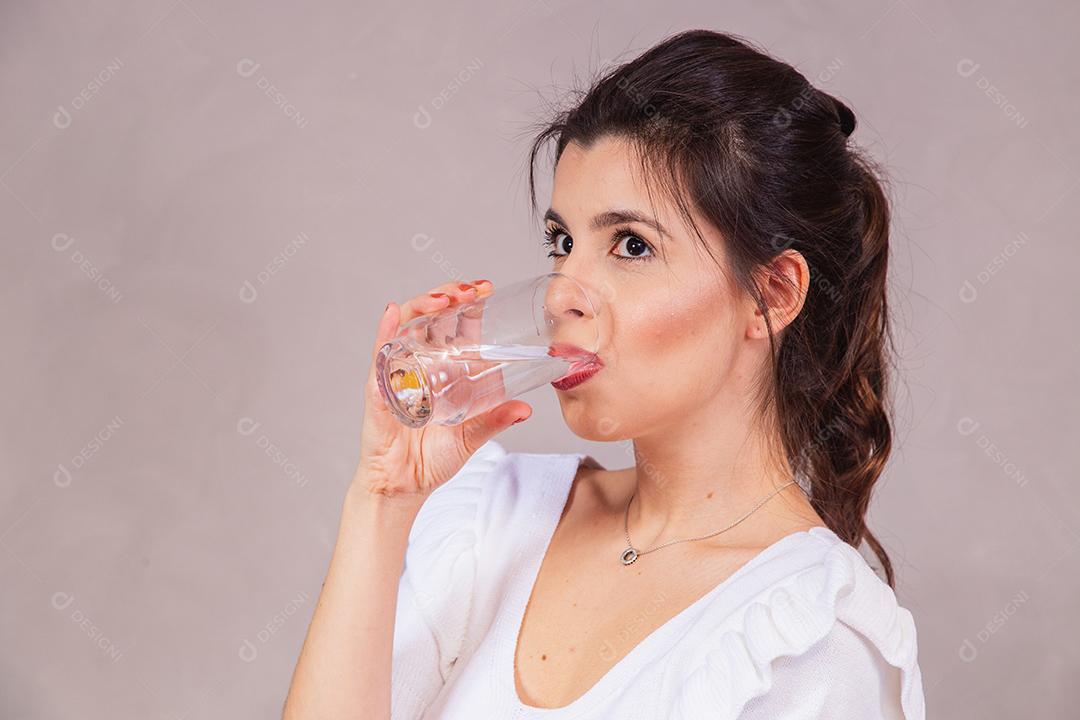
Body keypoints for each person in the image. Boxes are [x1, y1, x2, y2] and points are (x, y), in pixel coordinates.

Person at [283, 28, 926, 720]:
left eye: (630, 245)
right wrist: (382, 501)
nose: (561, 292)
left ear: (772, 293)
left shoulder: (810, 641)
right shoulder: (493, 522)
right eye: (563, 242)